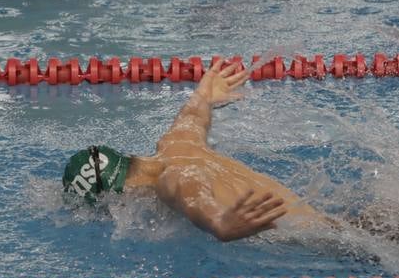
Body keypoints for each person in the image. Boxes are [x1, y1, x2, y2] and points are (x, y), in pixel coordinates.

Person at [62, 58, 336, 242]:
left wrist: (219, 223)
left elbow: (192, 195)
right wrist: (204, 94)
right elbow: (193, 116)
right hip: (330, 225)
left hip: (325, 245)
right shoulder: (176, 144)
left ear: (118, 193)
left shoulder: (169, 180)